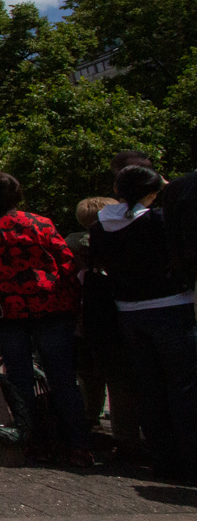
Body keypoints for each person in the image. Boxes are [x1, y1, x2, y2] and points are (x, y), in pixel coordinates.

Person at [0, 171, 93, 466]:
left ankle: (30, 442)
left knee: (19, 381)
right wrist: (74, 302)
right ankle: (79, 445)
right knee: (63, 379)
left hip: (6, 313)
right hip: (51, 307)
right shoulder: (38, 223)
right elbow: (66, 263)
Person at [89, 165, 197, 483]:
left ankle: (163, 461)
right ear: (153, 191)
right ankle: (191, 461)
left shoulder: (100, 227)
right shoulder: (159, 220)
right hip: (172, 307)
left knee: (150, 390)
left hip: (128, 313)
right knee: (184, 388)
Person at [68, 196, 142, 457]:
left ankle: (90, 421)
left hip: (82, 320)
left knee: (88, 375)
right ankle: (126, 436)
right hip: (114, 317)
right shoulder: (115, 240)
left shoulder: (71, 245)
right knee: (119, 380)